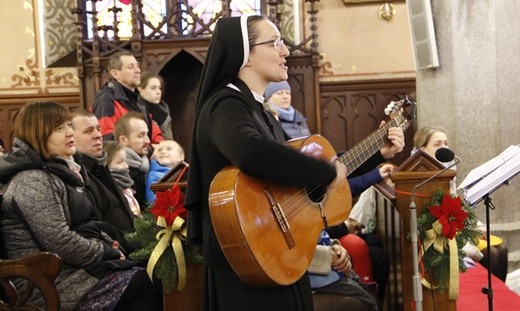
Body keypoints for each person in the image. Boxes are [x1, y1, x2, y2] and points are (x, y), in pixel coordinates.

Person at [184, 15, 348, 311]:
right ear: (244, 55)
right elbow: (252, 153)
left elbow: (289, 165)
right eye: (274, 43)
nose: (285, 51)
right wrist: (323, 173)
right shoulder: (224, 104)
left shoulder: (258, 109)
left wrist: (377, 154)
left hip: (275, 251)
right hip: (247, 258)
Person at [0, 101, 162, 311]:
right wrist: (107, 252)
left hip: (74, 271)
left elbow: (90, 224)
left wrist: (111, 245)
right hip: (46, 282)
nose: (69, 133)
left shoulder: (58, 172)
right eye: (59, 128)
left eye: (68, 125)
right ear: (37, 133)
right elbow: (59, 240)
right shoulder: (32, 180)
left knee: (150, 277)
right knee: (144, 283)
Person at [413, 125, 509, 282]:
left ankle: (498, 298)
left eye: (446, 143)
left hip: (455, 225)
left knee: (502, 249)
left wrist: (475, 226)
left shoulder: (448, 168)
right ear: (422, 150)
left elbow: (456, 203)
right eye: (437, 144)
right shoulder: (419, 175)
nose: (444, 148)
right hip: (437, 234)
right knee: (492, 253)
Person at [71, 109, 137, 234]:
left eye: (98, 129)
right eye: (88, 131)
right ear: (70, 136)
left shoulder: (101, 166)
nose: (98, 135)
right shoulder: (78, 176)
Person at [92, 50, 164, 144]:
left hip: (143, 156)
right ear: (115, 73)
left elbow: (153, 132)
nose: (138, 70)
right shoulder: (106, 100)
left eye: (137, 66)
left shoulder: (139, 100)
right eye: (131, 67)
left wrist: (165, 147)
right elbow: (108, 141)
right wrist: (150, 148)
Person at [114, 111, 151, 209]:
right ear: (123, 140)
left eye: (147, 134)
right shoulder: (120, 171)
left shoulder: (146, 163)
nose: (148, 141)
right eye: (141, 135)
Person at [104, 140, 142, 218]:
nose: (126, 166)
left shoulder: (127, 188)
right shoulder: (110, 191)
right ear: (106, 166)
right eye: (120, 162)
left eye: (125, 161)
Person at [145, 139, 185, 203]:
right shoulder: (153, 175)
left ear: (180, 157)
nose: (163, 152)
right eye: (159, 150)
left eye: (169, 149)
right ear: (155, 157)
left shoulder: (186, 173)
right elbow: (152, 201)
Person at [138, 72, 173, 139]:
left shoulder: (164, 108)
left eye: (159, 88)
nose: (158, 92)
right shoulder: (138, 109)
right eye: (153, 88)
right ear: (141, 90)